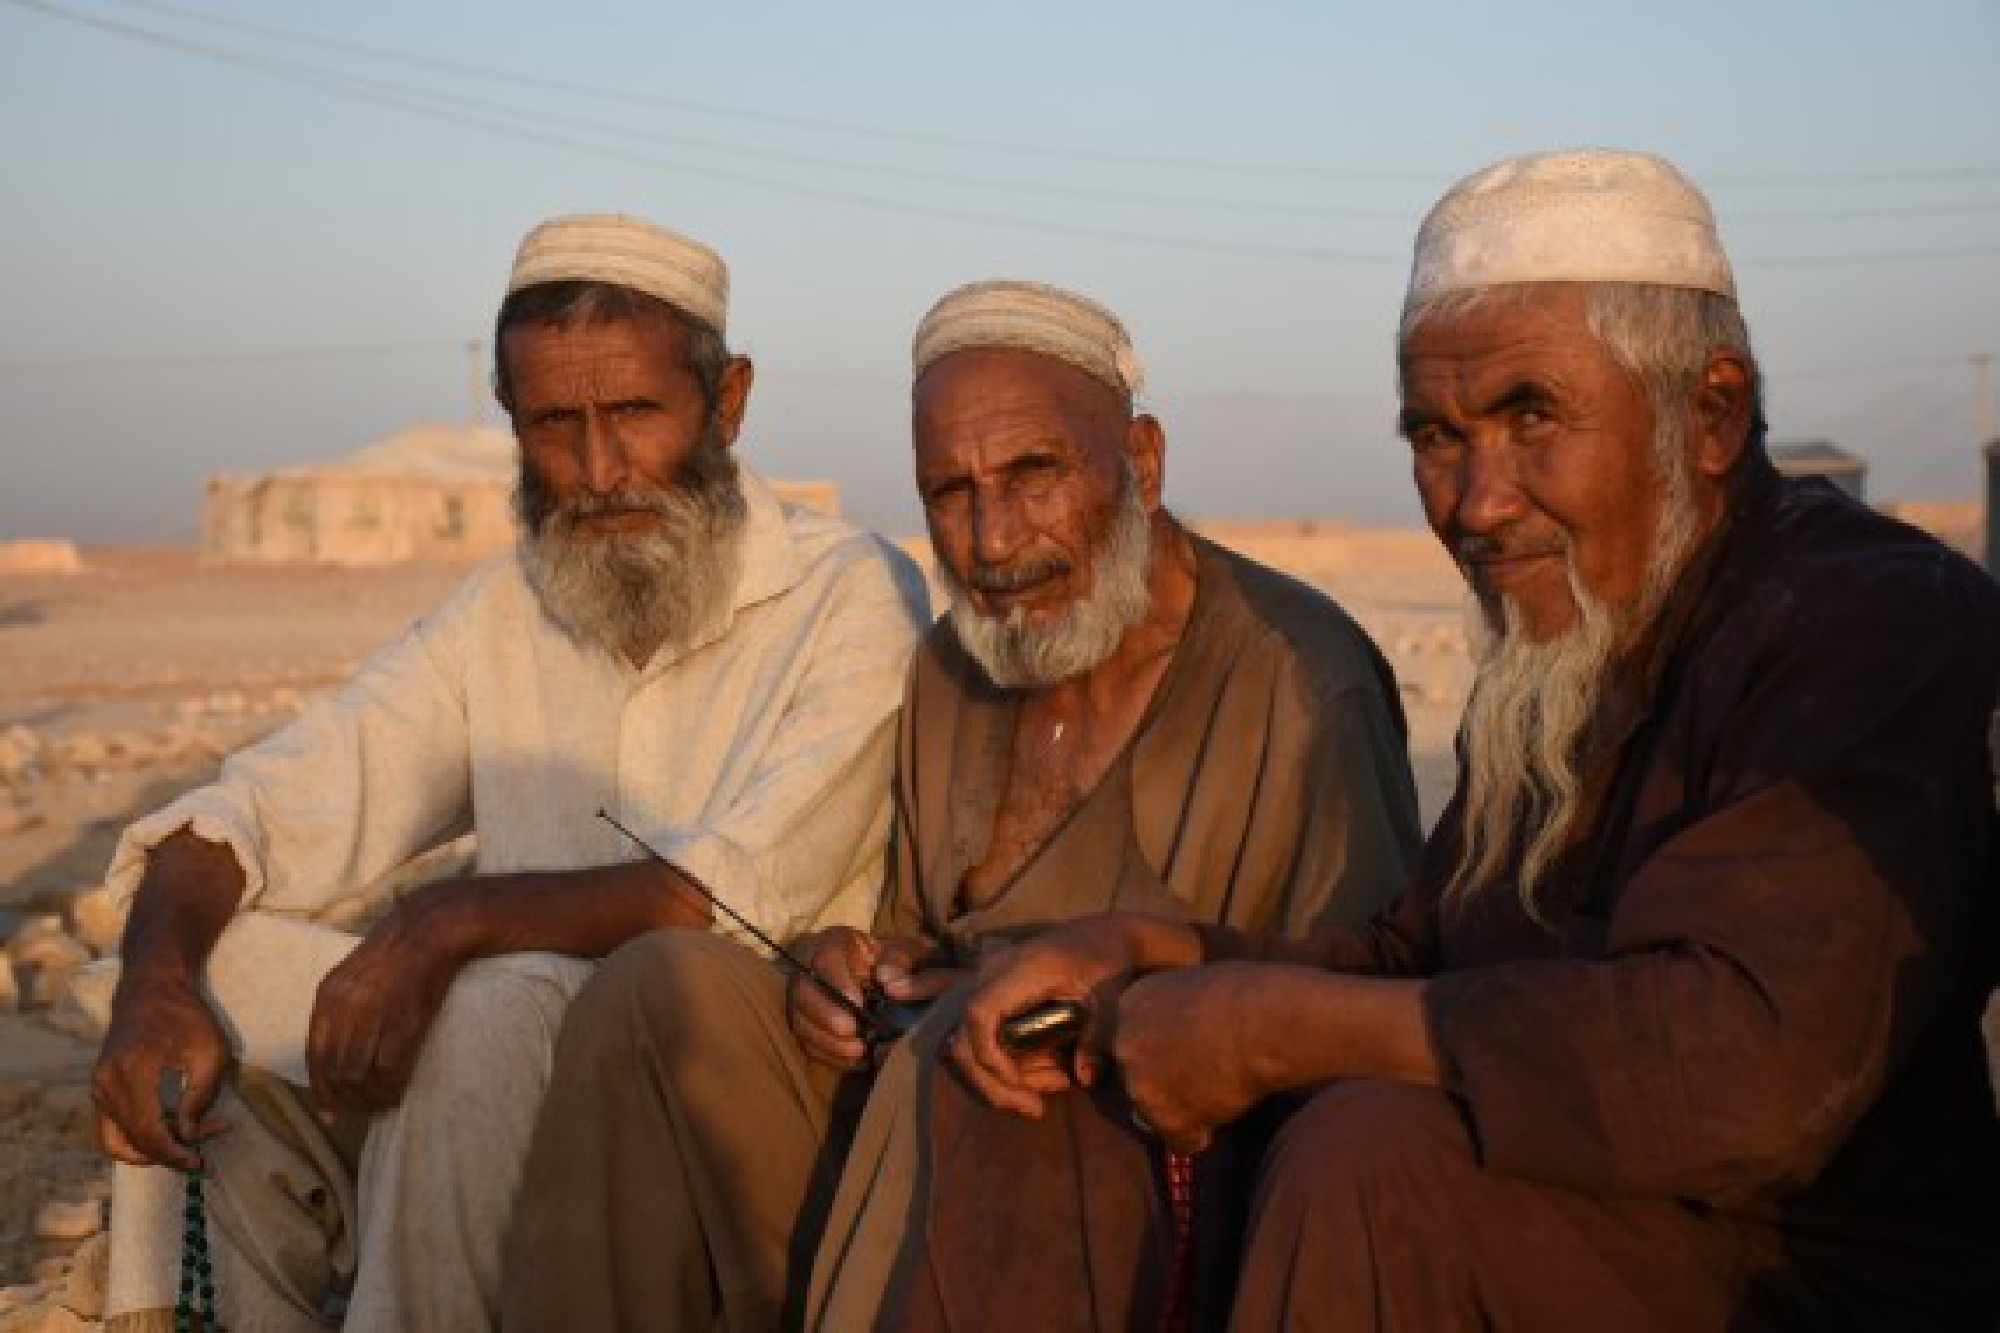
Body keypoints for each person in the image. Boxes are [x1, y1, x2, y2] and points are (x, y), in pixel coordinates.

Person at [861, 150, 2000, 1330]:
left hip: (1801, 1267)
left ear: (1705, 413)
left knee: (1372, 1156)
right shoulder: (1570, 646)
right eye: (1435, 436)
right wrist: (1153, 951)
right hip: (1599, 1208)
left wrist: (1270, 1028)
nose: (1473, 500)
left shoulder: (1865, 619)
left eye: (1528, 417)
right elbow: (1420, 957)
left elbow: (1743, 1068)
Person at [501, 279, 1422, 1331]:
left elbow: (1354, 1009)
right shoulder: (955, 666)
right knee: (657, 988)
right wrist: (838, 961)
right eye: (949, 491)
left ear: (1143, 462)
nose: (990, 540)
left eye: (1033, 475)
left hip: (1135, 1181)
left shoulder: (1300, 677)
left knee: (961, 1066)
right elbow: (913, 936)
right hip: (914, 1131)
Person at [89, 213, 930, 1333]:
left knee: (483, 1003)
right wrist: (156, 980)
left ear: (725, 403)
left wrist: (448, 921)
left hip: (726, 1101)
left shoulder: (848, 594)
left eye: (632, 414)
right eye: (553, 425)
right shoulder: (506, 608)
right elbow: (263, 804)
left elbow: (729, 887)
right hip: (486, 1094)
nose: (595, 471)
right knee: (192, 974)